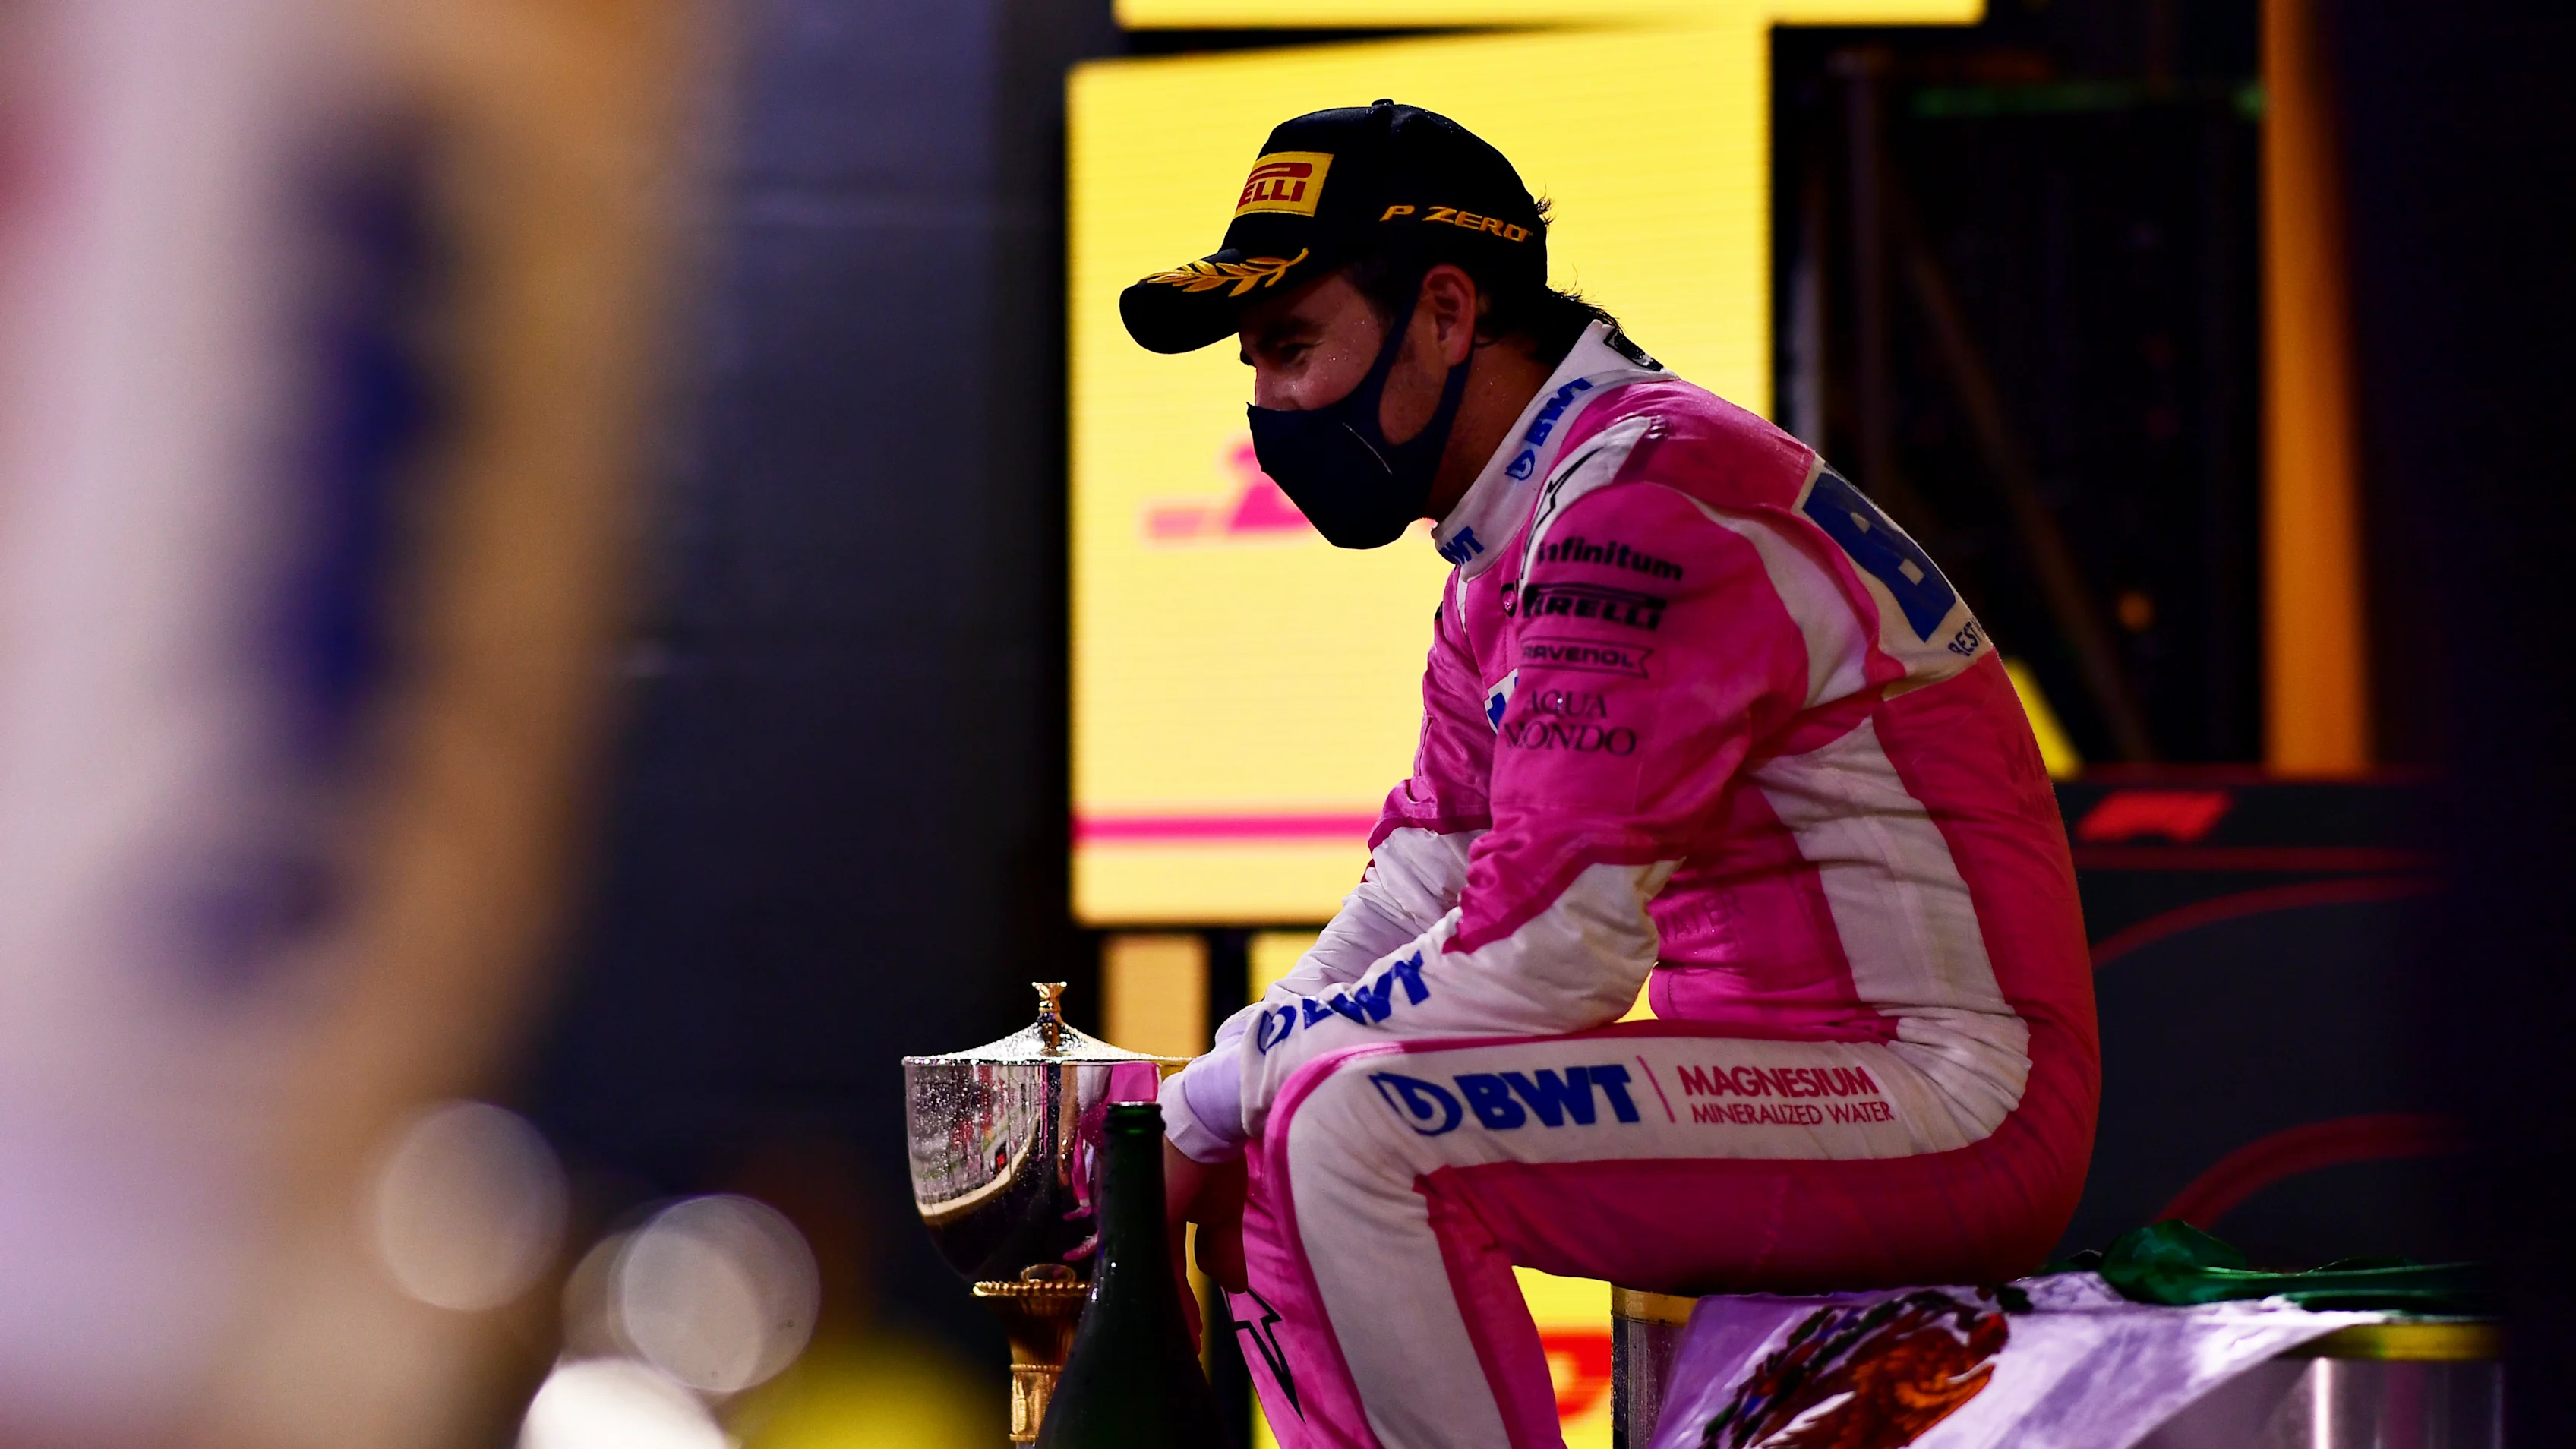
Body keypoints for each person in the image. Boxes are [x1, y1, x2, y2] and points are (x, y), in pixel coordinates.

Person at [1119, 100, 2097, 1449]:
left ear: (1447, 312)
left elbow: (1548, 956)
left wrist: (1207, 1097)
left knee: (1347, 1126)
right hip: (1815, 1077)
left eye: (1292, 347)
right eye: (1255, 364)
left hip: (1950, 1095)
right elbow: (1419, 891)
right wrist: (1211, 1100)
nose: (1267, 406)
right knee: (1285, 1120)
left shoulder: (1644, 501)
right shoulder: (1518, 539)